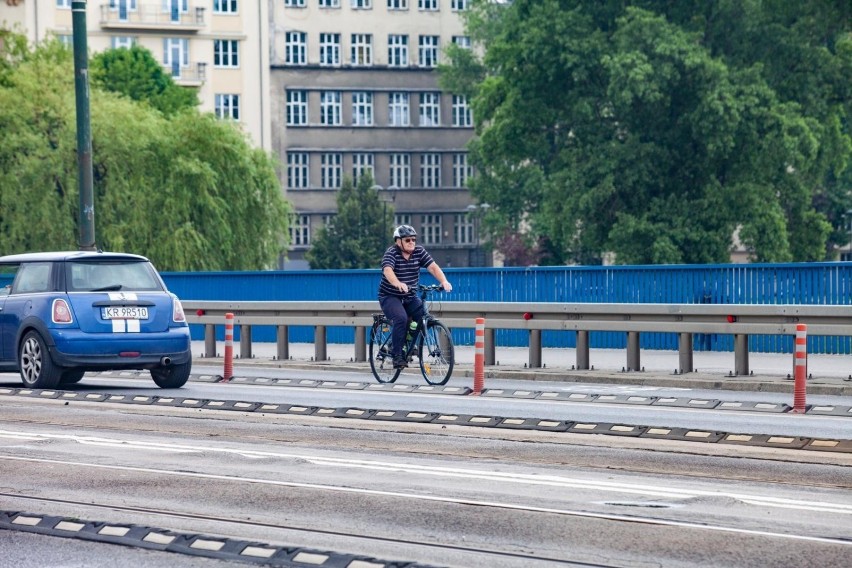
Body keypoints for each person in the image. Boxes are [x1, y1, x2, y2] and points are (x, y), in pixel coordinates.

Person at [378, 225, 453, 369]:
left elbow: (432, 267)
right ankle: (397, 355)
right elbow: (388, 270)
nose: (412, 242)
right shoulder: (391, 253)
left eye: (413, 239)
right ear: (398, 241)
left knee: (424, 317)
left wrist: (443, 281)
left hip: (409, 295)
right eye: (407, 240)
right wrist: (397, 283)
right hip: (390, 296)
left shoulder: (419, 251)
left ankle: (409, 344)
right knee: (401, 318)